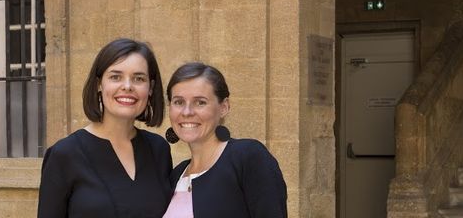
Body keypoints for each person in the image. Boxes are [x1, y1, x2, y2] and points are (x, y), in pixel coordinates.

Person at [37, 38, 172, 218]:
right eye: (116, 77)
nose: (127, 86)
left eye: (139, 78)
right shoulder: (64, 154)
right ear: (99, 84)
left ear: (150, 88)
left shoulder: (158, 150)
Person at [162, 62, 288, 218]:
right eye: (178, 102)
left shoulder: (248, 157)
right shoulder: (177, 175)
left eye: (200, 102)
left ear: (224, 107)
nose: (187, 112)